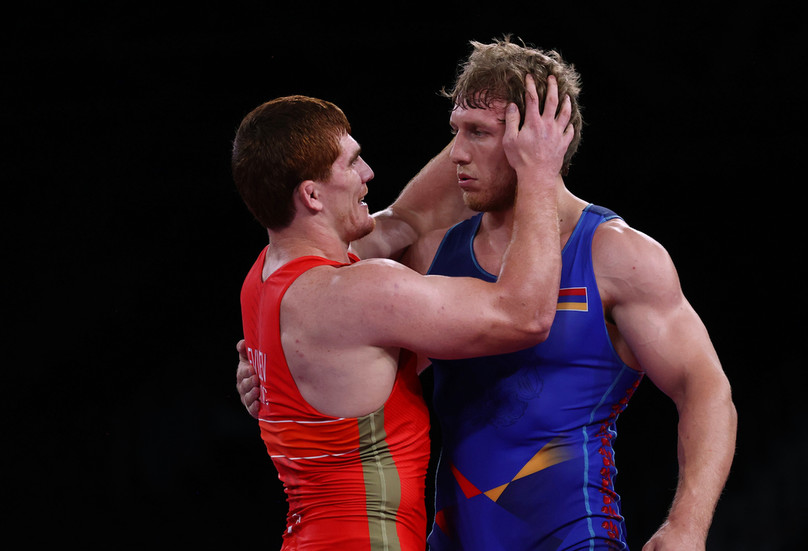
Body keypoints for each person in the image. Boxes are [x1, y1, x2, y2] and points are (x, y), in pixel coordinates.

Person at [238, 37, 737, 550]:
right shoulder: (433, 253)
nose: (456, 153)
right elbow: (340, 329)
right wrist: (276, 377)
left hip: (573, 537)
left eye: (477, 132)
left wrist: (687, 524)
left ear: (538, 139)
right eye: (455, 131)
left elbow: (704, 388)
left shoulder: (618, 256)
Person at [232, 77, 575, 550]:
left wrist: (496, 112)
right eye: (352, 162)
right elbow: (525, 316)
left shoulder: (264, 277)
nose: (368, 172)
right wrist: (537, 171)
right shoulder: (357, 291)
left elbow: (409, 218)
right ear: (312, 195)